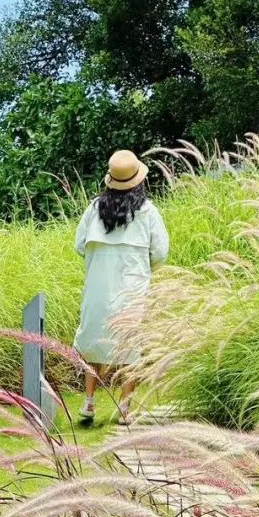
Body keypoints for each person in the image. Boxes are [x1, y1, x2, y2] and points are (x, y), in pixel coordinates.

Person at [72, 150, 169, 425]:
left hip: (97, 287)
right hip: (133, 287)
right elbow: (160, 252)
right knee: (130, 346)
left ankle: (89, 402)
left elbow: (79, 245)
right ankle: (126, 408)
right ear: (139, 181)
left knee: (93, 342)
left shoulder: (94, 209)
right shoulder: (148, 211)